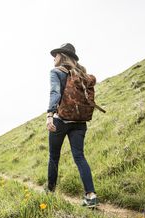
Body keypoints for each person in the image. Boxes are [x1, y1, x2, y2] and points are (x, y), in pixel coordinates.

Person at [46, 43, 99, 207]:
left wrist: (49, 115)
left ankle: (50, 192)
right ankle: (91, 196)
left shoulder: (56, 72)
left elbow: (55, 92)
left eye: (55, 55)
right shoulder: (81, 73)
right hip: (79, 122)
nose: (53, 58)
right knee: (79, 156)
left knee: (54, 157)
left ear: (61, 56)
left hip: (60, 120)